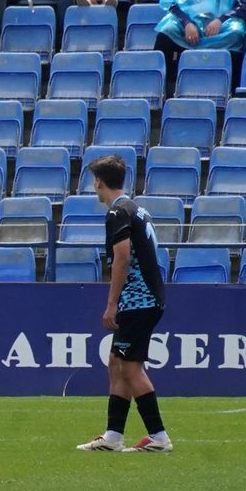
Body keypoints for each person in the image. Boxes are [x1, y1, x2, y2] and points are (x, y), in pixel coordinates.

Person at [75, 155, 172, 453]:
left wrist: (112, 302)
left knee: (130, 368)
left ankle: (159, 437)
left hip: (138, 300)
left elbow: (122, 257)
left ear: (98, 182)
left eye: (94, 182)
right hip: (146, 298)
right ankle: (113, 436)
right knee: (116, 363)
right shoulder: (137, 209)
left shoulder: (118, 212)